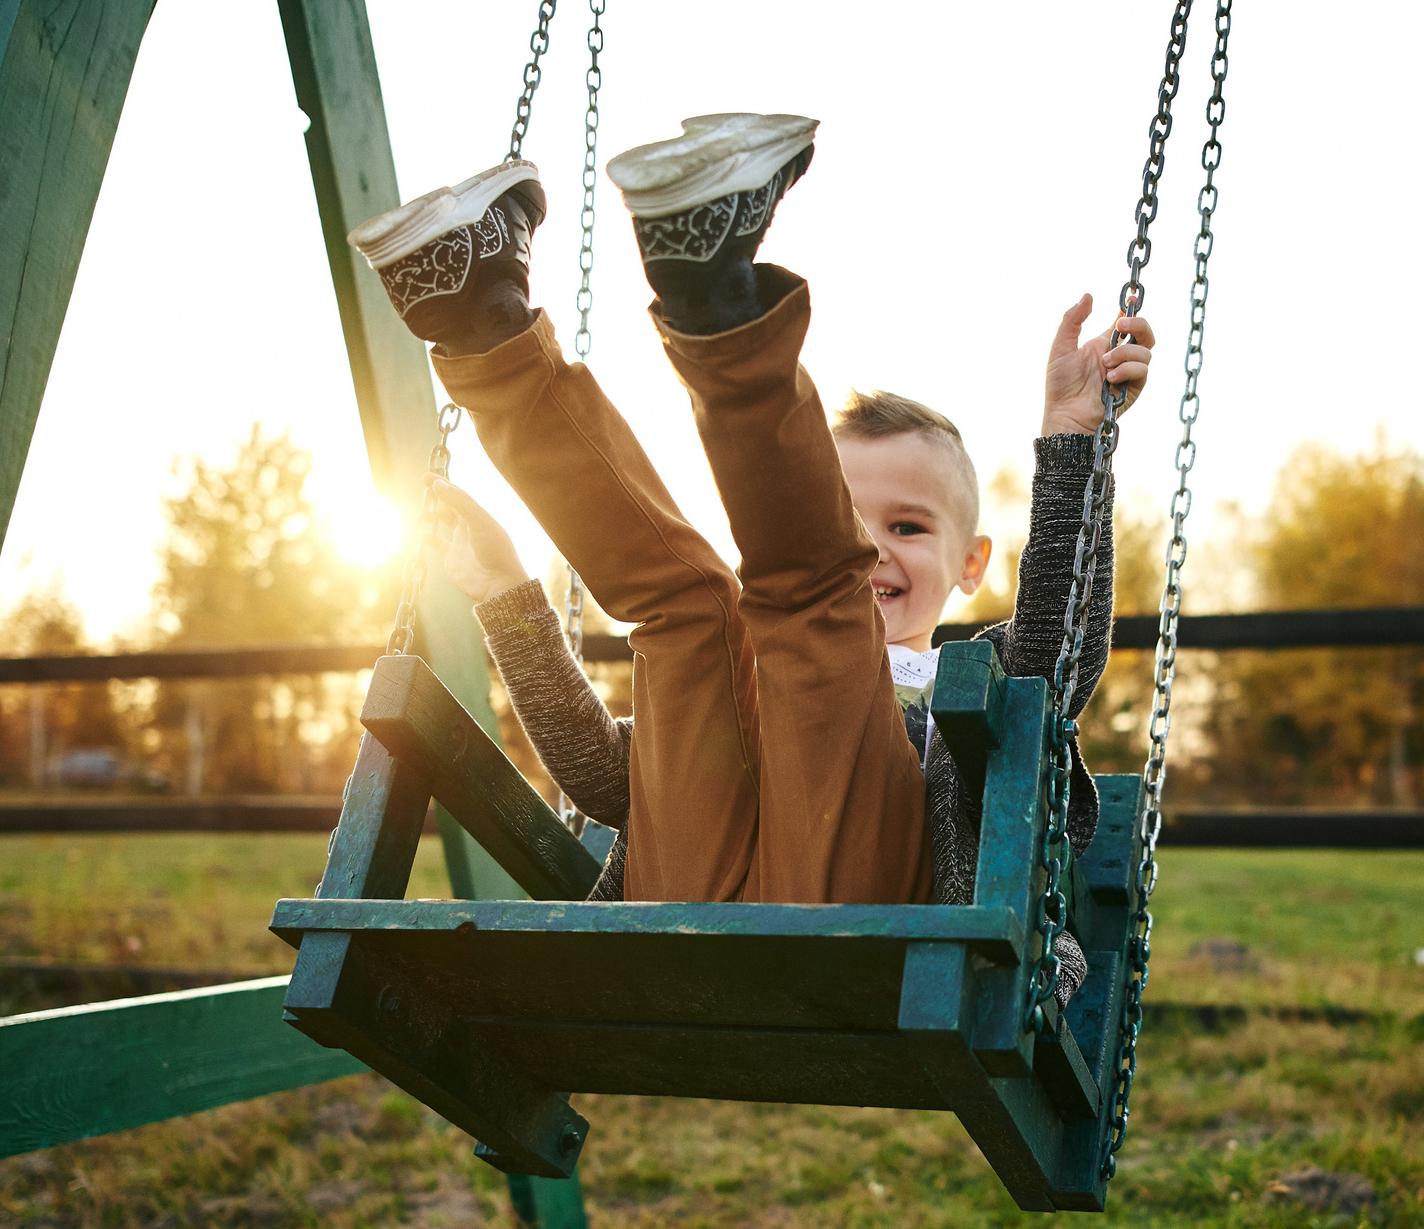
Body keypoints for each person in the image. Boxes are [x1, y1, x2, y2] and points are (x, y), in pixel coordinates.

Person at [349, 113, 1152, 996]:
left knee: (811, 613)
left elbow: (1059, 651)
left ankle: (716, 307)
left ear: (973, 563)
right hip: (678, 908)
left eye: (909, 527)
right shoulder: (760, 654)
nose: (872, 549)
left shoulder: (976, 682)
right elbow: (612, 781)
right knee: (688, 607)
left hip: (864, 933)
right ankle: (480, 318)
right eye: (843, 517)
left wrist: (1076, 440)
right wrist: (507, 591)